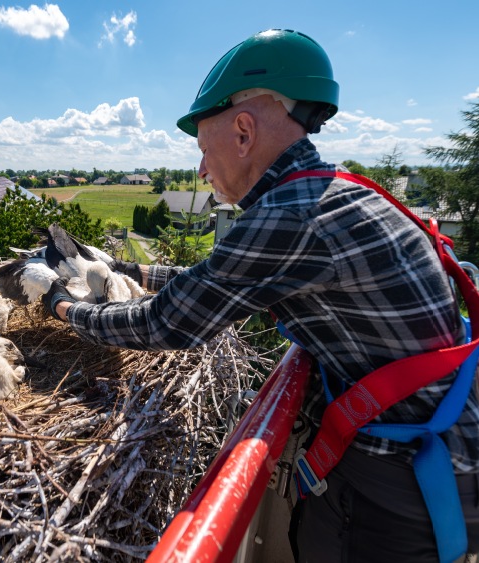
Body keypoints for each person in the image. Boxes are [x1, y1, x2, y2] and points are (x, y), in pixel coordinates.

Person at [42, 29, 479, 562]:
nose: (202, 170)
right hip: (441, 449)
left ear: (243, 131)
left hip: (400, 479)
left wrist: (62, 306)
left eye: (204, 150)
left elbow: (166, 324)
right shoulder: (337, 191)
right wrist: (127, 267)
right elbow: (224, 278)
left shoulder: (292, 215)